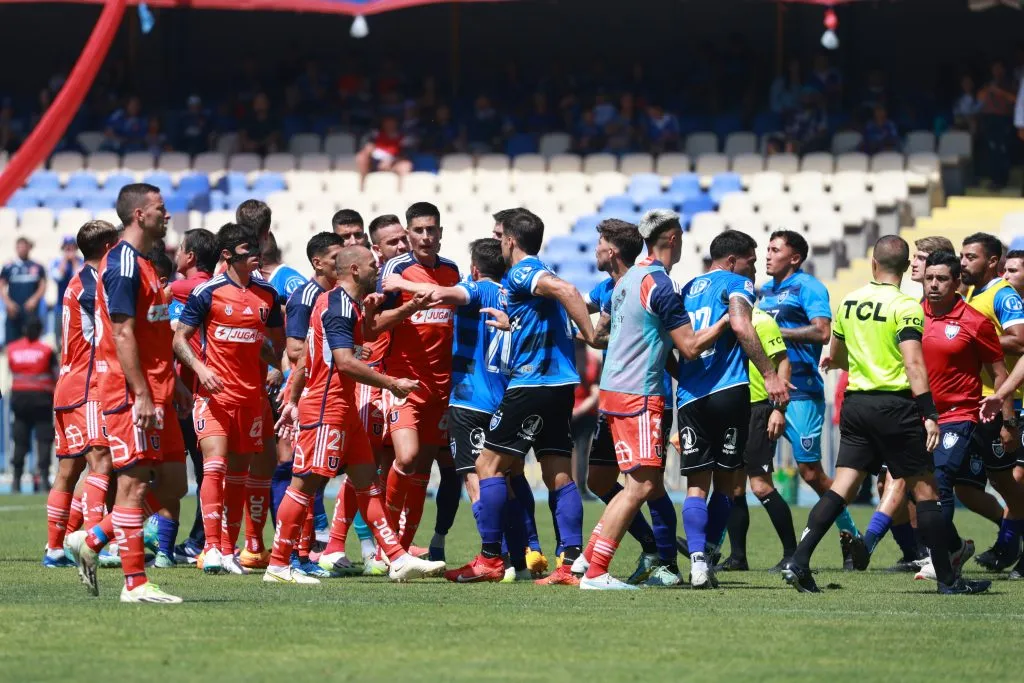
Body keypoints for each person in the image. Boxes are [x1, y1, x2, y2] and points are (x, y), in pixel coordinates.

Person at [782, 235, 989, 595]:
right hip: (895, 405)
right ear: (907, 268)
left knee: (842, 487)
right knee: (926, 491)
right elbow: (913, 362)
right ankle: (948, 580)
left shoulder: (849, 302)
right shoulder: (907, 307)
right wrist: (928, 413)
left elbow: (840, 357)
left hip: (856, 404)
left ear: (873, 264)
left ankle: (799, 561)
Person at [267, 246, 446, 584]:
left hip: (343, 408)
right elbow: (345, 361)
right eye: (372, 264)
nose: (377, 268)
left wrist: (407, 307)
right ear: (354, 269)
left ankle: (396, 558)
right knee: (303, 484)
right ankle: (278, 564)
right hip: (326, 406)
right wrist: (392, 383)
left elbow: (365, 335)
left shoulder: (345, 304)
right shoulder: (336, 305)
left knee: (367, 483)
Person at [574, 211, 729, 590]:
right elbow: (690, 347)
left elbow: (604, 334)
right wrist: (728, 321)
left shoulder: (627, 278)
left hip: (615, 392)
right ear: (673, 237)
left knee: (641, 483)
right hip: (640, 396)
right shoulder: (660, 285)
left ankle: (589, 561)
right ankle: (596, 571)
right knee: (641, 486)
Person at [445, 209, 598, 586]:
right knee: (558, 474)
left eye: (500, 236)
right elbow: (547, 315)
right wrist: (512, 323)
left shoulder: (522, 271)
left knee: (487, 467)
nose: (497, 242)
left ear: (511, 240)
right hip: (561, 386)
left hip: (531, 384)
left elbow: (567, 291)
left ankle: (490, 559)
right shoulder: (530, 278)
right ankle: (570, 564)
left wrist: (591, 334)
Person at [65, 183, 188, 604]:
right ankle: (135, 583)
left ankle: (94, 538)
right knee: (133, 484)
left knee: (173, 484)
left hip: (159, 390)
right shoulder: (122, 264)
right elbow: (122, 331)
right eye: (160, 208)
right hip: (129, 390)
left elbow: (154, 331)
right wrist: (140, 393)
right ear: (139, 215)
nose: (167, 215)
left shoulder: (150, 263)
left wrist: (176, 385)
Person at [383, 238, 529, 578]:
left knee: (476, 480)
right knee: (505, 480)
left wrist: (401, 282)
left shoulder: (475, 290)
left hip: (471, 397)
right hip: (507, 396)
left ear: (475, 269)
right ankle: (519, 563)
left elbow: (440, 294)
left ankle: (493, 558)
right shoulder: (516, 295)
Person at [677, 230, 789, 588]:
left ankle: (697, 563)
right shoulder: (737, 284)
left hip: (690, 397)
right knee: (726, 485)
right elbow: (741, 324)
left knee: (696, 486)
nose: (754, 270)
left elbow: (668, 342)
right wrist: (770, 374)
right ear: (731, 261)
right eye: (751, 262)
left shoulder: (685, 289)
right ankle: (709, 552)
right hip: (729, 391)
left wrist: (680, 375)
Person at [173, 223, 285, 576]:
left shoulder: (267, 295)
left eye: (257, 248)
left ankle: (228, 549)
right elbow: (179, 339)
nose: (255, 255)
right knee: (216, 466)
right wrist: (199, 368)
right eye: (246, 249)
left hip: (251, 399)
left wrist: (277, 366)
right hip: (215, 396)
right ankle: (210, 547)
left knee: (238, 473)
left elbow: (274, 343)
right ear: (227, 255)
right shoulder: (208, 293)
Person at [757, 230, 866, 568]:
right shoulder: (764, 292)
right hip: (764, 390)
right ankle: (718, 550)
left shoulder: (810, 287)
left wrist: (774, 331)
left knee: (810, 473)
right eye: (767, 249)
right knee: (751, 470)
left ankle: (852, 538)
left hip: (802, 391)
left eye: (776, 250)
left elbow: (822, 331)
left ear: (795, 258)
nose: (768, 254)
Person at [583, 217, 680, 585]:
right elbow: (593, 330)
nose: (595, 249)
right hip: (631, 394)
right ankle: (600, 565)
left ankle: (662, 560)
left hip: (633, 393)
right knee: (625, 482)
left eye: (599, 243)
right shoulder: (628, 284)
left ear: (611, 250)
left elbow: (662, 342)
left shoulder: (635, 284)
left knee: (646, 484)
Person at [909, 250, 1013, 583]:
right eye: (929, 278)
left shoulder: (974, 321)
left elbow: (999, 373)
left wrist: (1007, 421)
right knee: (920, 487)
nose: (934, 285)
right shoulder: (910, 316)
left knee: (940, 482)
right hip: (919, 415)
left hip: (960, 415)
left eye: (941, 279)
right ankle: (954, 548)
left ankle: (940, 559)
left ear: (956, 283)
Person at [373, 203, 460, 555]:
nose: (426, 236)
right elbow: (375, 323)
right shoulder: (396, 268)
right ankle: (387, 545)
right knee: (405, 459)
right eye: (419, 230)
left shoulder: (452, 271)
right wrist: (409, 306)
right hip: (403, 382)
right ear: (409, 234)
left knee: (422, 471)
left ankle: (403, 552)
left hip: (441, 387)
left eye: (432, 229)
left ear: (440, 232)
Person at [277, 231, 366, 576]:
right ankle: (286, 559)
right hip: (321, 399)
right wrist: (293, 398)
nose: (340, 261)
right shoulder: (310, 298)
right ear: (319, 262)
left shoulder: (340, 298)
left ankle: (300, 556)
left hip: (331, 399)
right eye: (334, 256)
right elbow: (298, 353)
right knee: (305, 480)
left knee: (322, 480)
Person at [45, 220, 119, 567]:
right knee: (101, 460)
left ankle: (55, 548)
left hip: (69, 382)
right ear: (107, 247)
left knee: (69, 468)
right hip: (88, 384)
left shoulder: (78, 282)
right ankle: (94, 542)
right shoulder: (94, 285)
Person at [959, 232, 1024, 571]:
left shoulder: (1003, 294)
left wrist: (974, 338)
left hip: (1004, 404)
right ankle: (1009, 540)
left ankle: (1008, 546)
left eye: (971, 257)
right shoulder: (973, 293)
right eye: (962, 256)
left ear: (992, 262)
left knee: (1008, 482)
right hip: (976, 404)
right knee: (965, 488)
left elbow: (1019, 340)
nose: (963, 262)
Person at [717, 306, 795, 572]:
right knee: (735, 487)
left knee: (760, 486)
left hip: (759, 409)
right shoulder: (721, 320)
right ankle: (738, 558)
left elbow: (783, 361)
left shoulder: (762, 320)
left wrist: (778, 409)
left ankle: (792, 555)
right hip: (731, 410)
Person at [167, 228, 219, 563]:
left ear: (190, 257)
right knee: (207, 472)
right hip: (204, 391)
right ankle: (201, 540)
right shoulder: (216, 290)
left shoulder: (186, 289)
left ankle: (128, 539)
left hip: (185, 392)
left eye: (180, 249)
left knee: (158, 471)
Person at [7, 317, 57, 494]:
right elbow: (55, 374)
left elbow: (12, 369)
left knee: (20, 441)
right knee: (43, 440)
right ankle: (43, 480)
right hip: (42, 401)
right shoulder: (46, 351)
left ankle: (16, 481)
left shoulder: (12, 349)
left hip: (19, 401)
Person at [1, 237, 47, 346]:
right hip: (14, 311)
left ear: (29, 248)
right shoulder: (9, 266)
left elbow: (43, 285)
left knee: (32, 341)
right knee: (12, 342)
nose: (22, 249)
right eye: (19, 246)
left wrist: (34, 299)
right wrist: (8, 303)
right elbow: (1, 285)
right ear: (16, 248)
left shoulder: (37, 266)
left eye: (24, 246)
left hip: (30, 311)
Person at [49, 236, 83, 342]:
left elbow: (78, 276)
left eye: (72, 248)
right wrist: (65, 260)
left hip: (78, 304)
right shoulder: (56, 262)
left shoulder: (81, 261)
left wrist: (73, 261)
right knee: (59, 335)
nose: (69, 251)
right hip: (60, 304)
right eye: (67, 248)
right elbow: (58, 276)